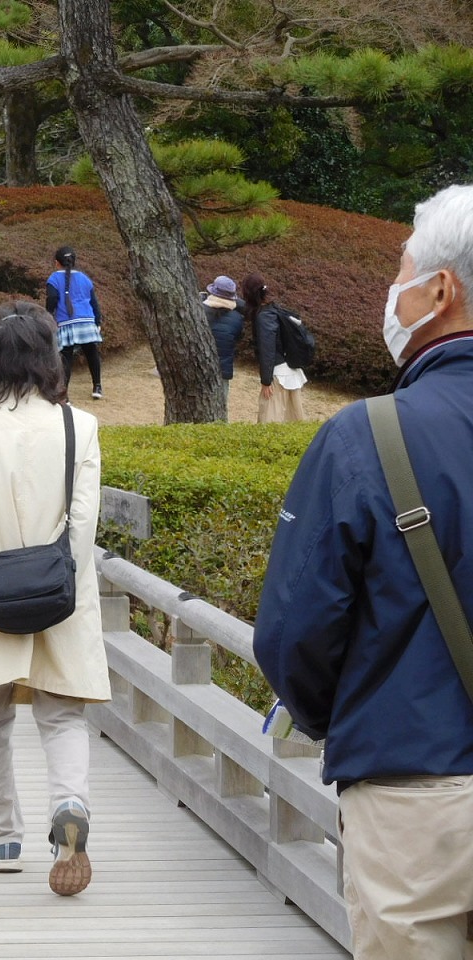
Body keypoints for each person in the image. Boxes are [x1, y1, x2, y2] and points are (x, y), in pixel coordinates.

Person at [252, 184, 473, 960]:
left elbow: (292, 635)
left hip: (416, 796)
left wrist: (347, 717)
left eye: (402, 271)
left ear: (440, 291)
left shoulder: (365, 439)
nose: (394, 290)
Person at [0, 301, 110, 896]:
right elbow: (84, 517)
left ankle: (1, 840)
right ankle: (69, 804)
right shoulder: (76, 425)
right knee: (62, 713)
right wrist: (63, 576)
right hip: (60, 586)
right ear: (47, 356)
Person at [240, 273, 305, 422]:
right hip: (290, 370)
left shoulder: (263, 317)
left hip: (277, 374)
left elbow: (267, 350)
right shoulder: (273, 309)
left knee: (268, 422)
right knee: (293, 421)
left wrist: (266, 381)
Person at [44, 246, 104, 400]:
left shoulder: (53, 278)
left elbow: (52, 299)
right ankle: (97, 386)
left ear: (57, 263)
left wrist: (49, 317)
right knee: (91, 352)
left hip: (67, 322)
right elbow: (94, 301)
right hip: (87, 320)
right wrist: (97, 320)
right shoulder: (84, 278)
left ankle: (64, 395)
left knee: (66, 357)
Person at [202, 275, 244, 414]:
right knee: (220, 408)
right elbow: (236, 338)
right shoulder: (237, 319)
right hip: (223, 369)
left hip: (199, 366)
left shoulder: (198, 310)